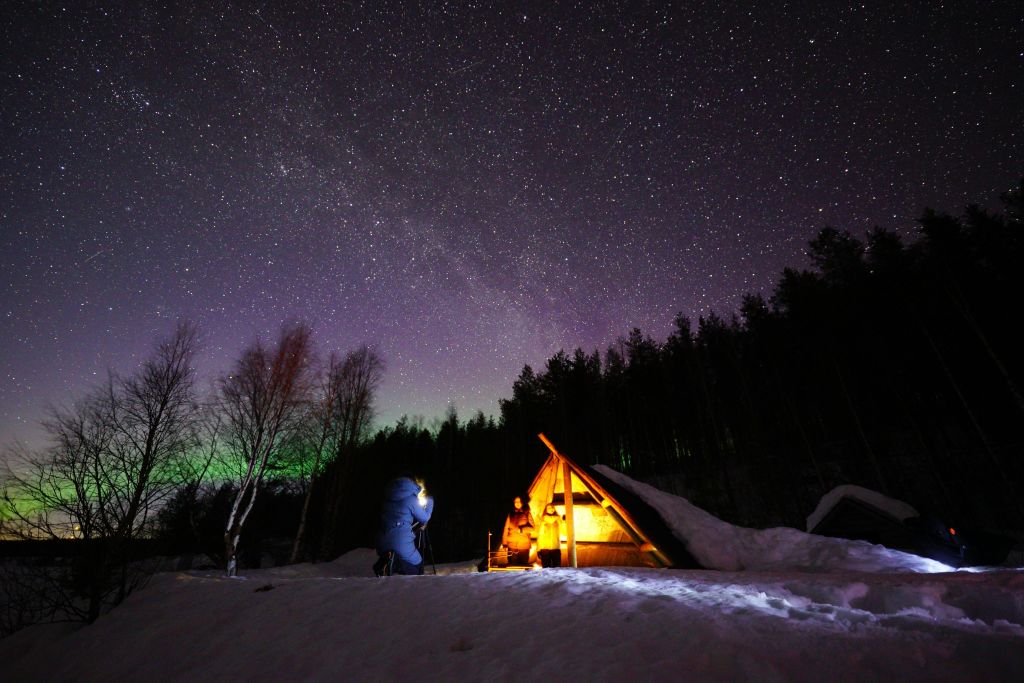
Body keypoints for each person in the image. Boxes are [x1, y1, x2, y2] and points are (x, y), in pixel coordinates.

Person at [375, 476, 433, 576]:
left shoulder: (386, 497)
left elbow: (397, 519)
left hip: (381, 542)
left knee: (398, 554)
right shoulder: (411, 499)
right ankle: (394, 565)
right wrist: (430, 502)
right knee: (418, 566)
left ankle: (385, 561)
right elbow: (424, 518)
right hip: (399, 542)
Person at [501, 495, 535, 566]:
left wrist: (522, 530)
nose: (517, 503)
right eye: (515, 502)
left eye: (519, 501)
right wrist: (504, 543)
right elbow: (506, 528)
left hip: (524, 545)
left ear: (522, 502)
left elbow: (533, 528)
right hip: (512, 545)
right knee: (512, 566)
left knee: (523, 566)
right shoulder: (510, 514)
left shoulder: (527, 513)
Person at [537, 503, 564, 568]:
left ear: (554, 509)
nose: (551, 509)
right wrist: (538, 549)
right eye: (549, 508)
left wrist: (564, 521)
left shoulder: (558, 519)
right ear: (545, 510)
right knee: (546, 570)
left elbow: (564, 531)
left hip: (555, 548)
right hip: (545, 548)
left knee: (557, 569)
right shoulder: (542, 520)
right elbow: (540, 535)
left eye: (552, 507)